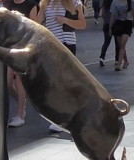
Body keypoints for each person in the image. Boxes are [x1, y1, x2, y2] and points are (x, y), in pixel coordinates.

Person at [37, 0, 85, 132]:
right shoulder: (45, 3)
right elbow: (37, 23)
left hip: (67, 44)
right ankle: (62, 117)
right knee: (55, 82)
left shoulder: (74, 2)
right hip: (52, 45)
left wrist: (65, 20)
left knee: (64, 82)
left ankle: (68, 116)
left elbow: (82, 24)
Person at [5, 0, 38, 127]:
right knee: (8, 83)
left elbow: (34, 28)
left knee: (19, 80)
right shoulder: (9, 4)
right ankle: (22, 103)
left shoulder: (31, 5)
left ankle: (19, 115)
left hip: (24, 46)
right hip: (12, 46)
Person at [109, 0, 134, 71]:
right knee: (120, 45)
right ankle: (126, 61)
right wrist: (110, 27)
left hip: (127, 23)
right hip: (118, 23)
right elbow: (112, 15)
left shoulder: (131, 2)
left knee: (122, 44)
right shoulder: (115, 2)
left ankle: (119, 64)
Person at [99, 0, 117, 67]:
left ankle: (102, 57)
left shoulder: (105, 2)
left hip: (106, 23)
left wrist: (106, 20)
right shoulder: (115, 2)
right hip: (115, 23)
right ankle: (117, 59)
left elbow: (103, 14)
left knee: (106, 42)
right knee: (117, 42)